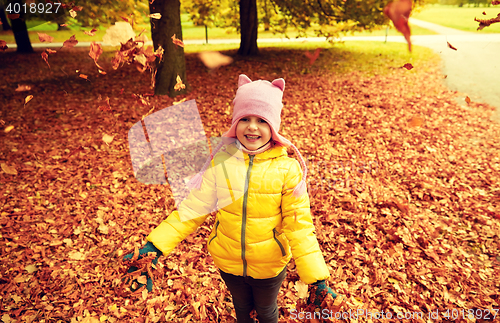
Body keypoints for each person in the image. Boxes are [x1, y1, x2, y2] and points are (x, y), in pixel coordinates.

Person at [124, 74, 338, 323]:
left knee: (267, 311)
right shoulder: (222, 162)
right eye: (244, 119)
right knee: (242, 308)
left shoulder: (287, 170)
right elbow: (192, 209)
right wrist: (154, 248)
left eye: (261, 120)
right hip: (229, 261)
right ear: (235, 122)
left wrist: (317, 278)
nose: (252, 126)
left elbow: (299, 226)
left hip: (269, 265)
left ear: (274, 126)